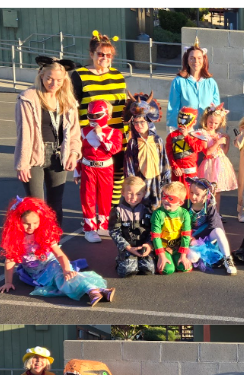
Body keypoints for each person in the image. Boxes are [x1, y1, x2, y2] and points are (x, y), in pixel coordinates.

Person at [0, 197, 113, 306]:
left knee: (64, 275)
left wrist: (66, 269)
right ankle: (101, 290)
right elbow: (10, 260)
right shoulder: (16, 238)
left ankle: (92, 290)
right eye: (26, 223)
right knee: (60, 280)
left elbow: (59, 254)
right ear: (17, 221)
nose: (31, 227)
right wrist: (8, 282)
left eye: (35, 223)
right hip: (37, 273)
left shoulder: (43, 234)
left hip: (51, 263)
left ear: (41, 220)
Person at [14, 56, 80, 227]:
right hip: (34, 154)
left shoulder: (68, 100)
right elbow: (25, 133)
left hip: (58, 155)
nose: (53, 83)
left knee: (55, 203)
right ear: (41, 75)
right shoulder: (28, 98)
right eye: (49, 78)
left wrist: (73, 153)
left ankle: (53, 244)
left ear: (64, 80)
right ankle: (36, 246)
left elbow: (74, 132)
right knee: (36, 205)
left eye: (58, 80)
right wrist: (23, 163)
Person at [71, 31, 127, 209]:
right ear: (91, 55)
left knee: (117, 175)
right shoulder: (79, 75)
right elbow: (72, 108)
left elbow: (122, 106)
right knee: (91, 180)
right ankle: (92, 218)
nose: (104, 58)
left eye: (108, 55)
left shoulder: (118, 76)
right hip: (90, 138)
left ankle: (112, 212)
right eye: (100, 54)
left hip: (115, 135)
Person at [79, 99, 123, 241]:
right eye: (90, 115)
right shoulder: (83, 131)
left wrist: (100, 135)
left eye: (97, 115)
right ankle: (89, 228)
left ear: (108, 115)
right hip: (88, 168)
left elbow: (114, 149)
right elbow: (78, 152)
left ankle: (103, 226)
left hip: (105, 169)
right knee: (88, 198)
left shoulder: (114, 132)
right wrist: (76, 171)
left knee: (105, 198)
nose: (93, 119)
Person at [124, 92, 170, 209]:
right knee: (140, 207)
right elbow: (129, 165)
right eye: (136, 122)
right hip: (140, 182)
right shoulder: (133, 143)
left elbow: (164, 161)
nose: (139, 125)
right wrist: (131, 183)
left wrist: (166, 181)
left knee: (155, 208)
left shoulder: (157, 140)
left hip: (155, 181)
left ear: (148, 122)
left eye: (142, 122)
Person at [167, 36, 220, 131]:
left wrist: (215, 130)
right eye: (192, 58)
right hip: (186, 131)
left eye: (199, 58)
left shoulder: (211, 83)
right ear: (187, 60)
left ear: (204, 60)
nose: (196, 61)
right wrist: (174, 130)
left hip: (205, 132)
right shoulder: (179, 82)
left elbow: (217, 110)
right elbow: (173, 107)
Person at [185, 177, 236, 274]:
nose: (193, 196)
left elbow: (215, 225)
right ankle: (198, 255)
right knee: (193, 258)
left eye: (197, 194)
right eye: (191, 192)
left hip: (206, 237)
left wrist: (204, 240)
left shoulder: (209, 206)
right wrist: (189, 238)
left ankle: (228, 259)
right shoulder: (186, 205)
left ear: (205, 195)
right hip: (190, 239)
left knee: (218, 231)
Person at [109, 177, 154, 278]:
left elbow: (152, 230)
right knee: (127, 271)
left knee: (148, 269)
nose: (133, 197)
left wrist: (148, 245)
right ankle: (121, 259)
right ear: (123, 192)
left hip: (143, 247)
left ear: (143, 194)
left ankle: (141, 258)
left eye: (138, 194)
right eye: (129, 193)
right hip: (128, 247)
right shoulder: (117, 211)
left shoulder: (147, 210)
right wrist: (128, 248)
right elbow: (114, 232)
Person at [197, 103, 237, 215]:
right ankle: (204, 212)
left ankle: (216, 213)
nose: (213, 125)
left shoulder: (219, 135)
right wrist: (218, 142)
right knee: (205, 190)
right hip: (209, 165)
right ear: (206, 120)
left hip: (220, 165)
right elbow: (207, 152)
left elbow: (223, 152)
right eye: (210, 122)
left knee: (217, 192)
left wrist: (227, 142)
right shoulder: (203, 134)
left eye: (216, 123)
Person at [150, 181, 193, 275]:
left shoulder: (184, 213)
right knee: (168, 270)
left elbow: (186, 236)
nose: (166, 200)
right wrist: (161, 256)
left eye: (171, 198)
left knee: (185, 267)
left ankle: (176, 257)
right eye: (164, 196)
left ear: (180, 202)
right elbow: (155, 236)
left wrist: (183, 255)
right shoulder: (158, 213)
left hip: (177, 246)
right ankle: (157, 258)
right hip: (163, 247)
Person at [166, 107, 207, 185]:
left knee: (191, 194)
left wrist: (187, 136)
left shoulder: (198, 135)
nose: (182, 122)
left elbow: (197, 148)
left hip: (191, 173)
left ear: (194, 122)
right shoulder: (172, 135)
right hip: (177, 172)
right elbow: (169, 153)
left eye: (185, 120)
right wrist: (174, 166)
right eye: (180, 119)